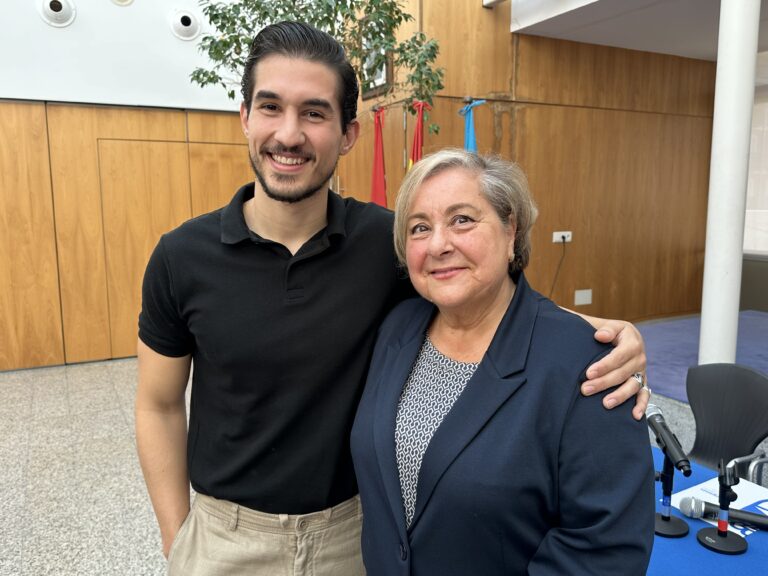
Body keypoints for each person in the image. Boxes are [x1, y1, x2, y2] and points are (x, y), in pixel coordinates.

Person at [135, 21, 650, 576]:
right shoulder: (180, 257)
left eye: (314, 112)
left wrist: (603, 336)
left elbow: (486, 289)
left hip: (354, 536)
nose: (289, 134)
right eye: (270, 107)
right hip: (225, 538)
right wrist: (177, 535)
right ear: (244, 117)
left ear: (348, 133)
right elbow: (159, 404)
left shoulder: (389, 244)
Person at [351, 149, 655, 575]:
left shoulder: (587, 365)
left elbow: (604, 550)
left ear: (511, 228)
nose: (439, 244)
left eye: (462, 220)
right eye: (420, 228)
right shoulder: (398, 328)